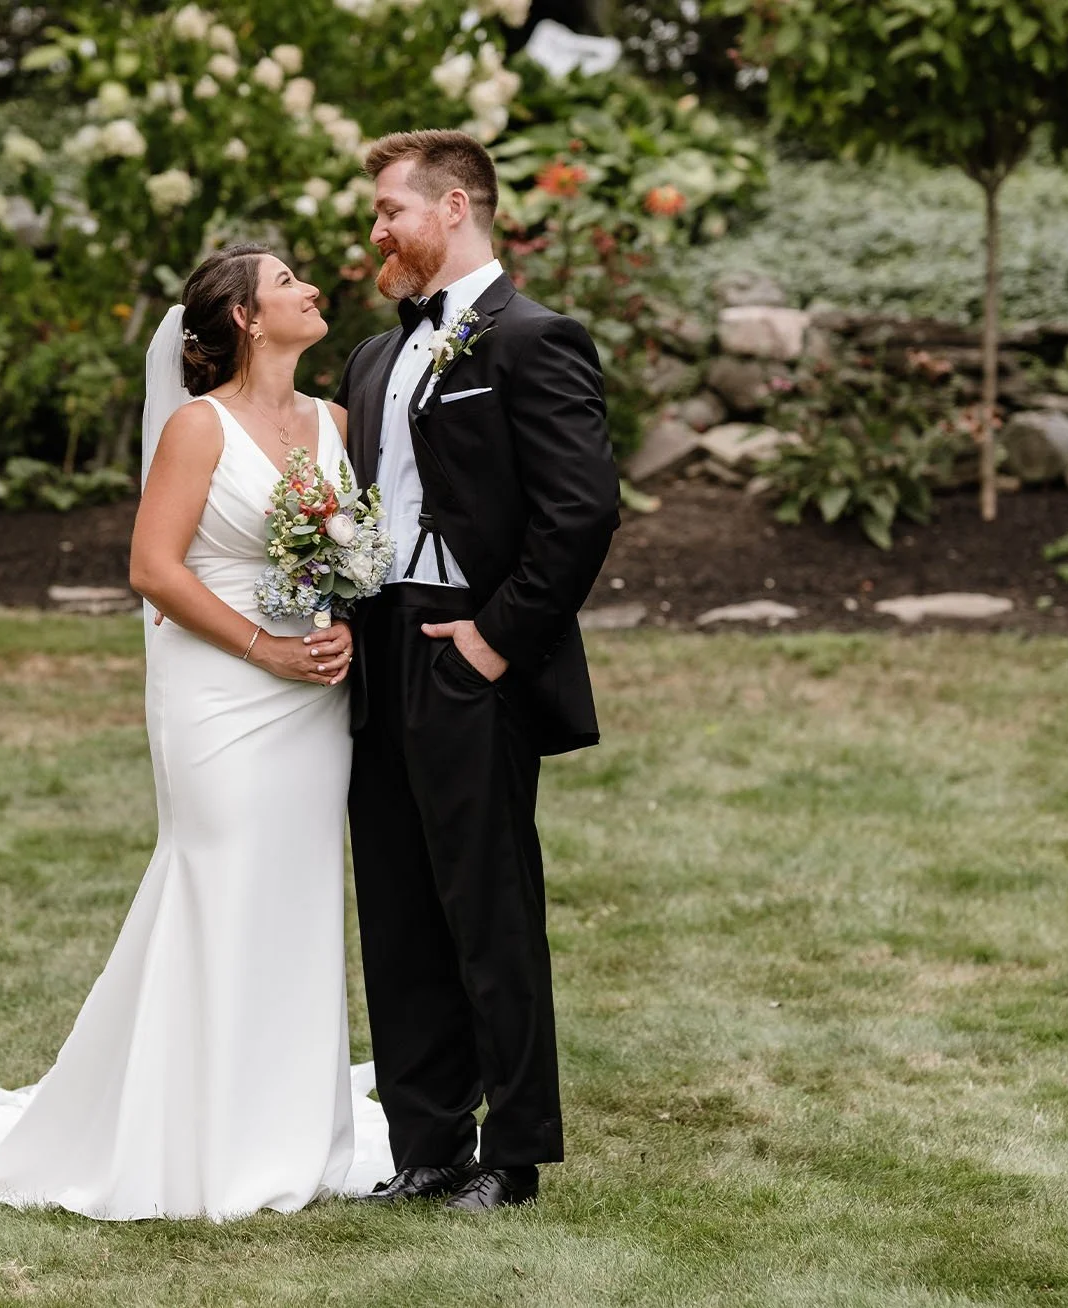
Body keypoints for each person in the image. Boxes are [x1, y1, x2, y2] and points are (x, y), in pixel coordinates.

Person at [0, 244, 395, 1220]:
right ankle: (190, 1132)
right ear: (248, 321)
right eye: (286, 282)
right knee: (217, 880)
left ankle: (286, 1124)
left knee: (294, 893)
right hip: (222, 690)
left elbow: (344, 552)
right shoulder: (196, 429)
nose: (309, 290)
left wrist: (336, 621)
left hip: (311, 696)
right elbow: (153, 569)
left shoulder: (335, 421)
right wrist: (266, 648)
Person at [335, 130, 619, 1211]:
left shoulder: (532, 340)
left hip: (471, 648)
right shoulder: (372, 355)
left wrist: (497, 638)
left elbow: (580, 511)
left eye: (389, 211)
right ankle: (426, 1148)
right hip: (379, 650)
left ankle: (514, 1154)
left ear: (452, 207)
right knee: (399, 905)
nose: (376, 232)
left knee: (488, 904)